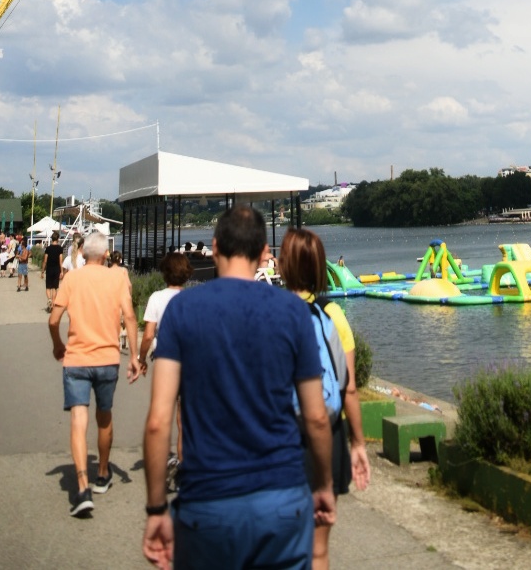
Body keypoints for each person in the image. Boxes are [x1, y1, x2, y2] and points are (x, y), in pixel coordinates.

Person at [141, 205, 333, 570]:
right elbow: (317, 418)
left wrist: (156, 508)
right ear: (264, 253)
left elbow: (158, 421)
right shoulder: (293, 312)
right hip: (282, 498)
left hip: (206, 504)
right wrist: (323, 486)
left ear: (214, 248)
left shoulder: (183, 310)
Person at [278, 225, 370, 570]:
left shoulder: (270, 312)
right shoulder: (332, 315)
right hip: (329, 437)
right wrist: (358, 443)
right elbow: (348, 387)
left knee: (280, 542)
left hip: (280, 435)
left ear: (283, 266)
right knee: (318, 549)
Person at [49, 229, 140, 517]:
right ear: (105, 254)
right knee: (105, 417)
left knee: (78, 420)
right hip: (108, 357)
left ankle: (82, 486)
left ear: (83, 254)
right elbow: (130, 317)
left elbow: (54, 319)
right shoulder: (118, 277)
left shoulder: (73, 278)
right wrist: (135, 356)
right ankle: (102, 472)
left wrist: (58, 344)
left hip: (76, 358)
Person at [138, 252, 191, 484]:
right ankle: (183, 464)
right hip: (189, 359)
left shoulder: (156, 298)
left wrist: (141, 359)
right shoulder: (193, 298)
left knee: (161, 415)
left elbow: (148, 335)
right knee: (183, 417)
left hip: (165, 359)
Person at [43, 231, 63, 313]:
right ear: (57, 239)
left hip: (49, 269)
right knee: (55, 288)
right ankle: (53, 303)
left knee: (48, 287)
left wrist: (42, 270)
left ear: (52, 239)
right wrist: (61, 271)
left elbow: (45, 260)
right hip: (56, 269)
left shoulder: (48, 248)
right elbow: (60, 261)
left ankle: (49, 299)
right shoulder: (60, 249)